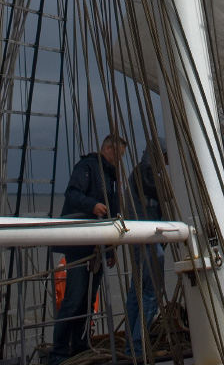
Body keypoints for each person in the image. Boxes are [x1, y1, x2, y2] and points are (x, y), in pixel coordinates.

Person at [50, 133, 127, 365]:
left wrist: (111, 249)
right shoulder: (87, 167)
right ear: (107, 149)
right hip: (79, 246)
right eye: (119, 156)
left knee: (87, 300)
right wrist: (92, 206)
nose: (120, 161)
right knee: (74, 300)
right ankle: (59, 353)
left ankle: (81, 346)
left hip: (98, 247)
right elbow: (72, 194)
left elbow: (113, 213)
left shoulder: (111, 176)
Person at [124, 138, 168, 359]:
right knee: (150, 293)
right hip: (145, 238)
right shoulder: (144, 171)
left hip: (140, 237)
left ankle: (130, 348)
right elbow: (156, 191)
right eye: (166, 157)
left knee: (137, 292)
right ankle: (139, 348)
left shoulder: (142, 171)